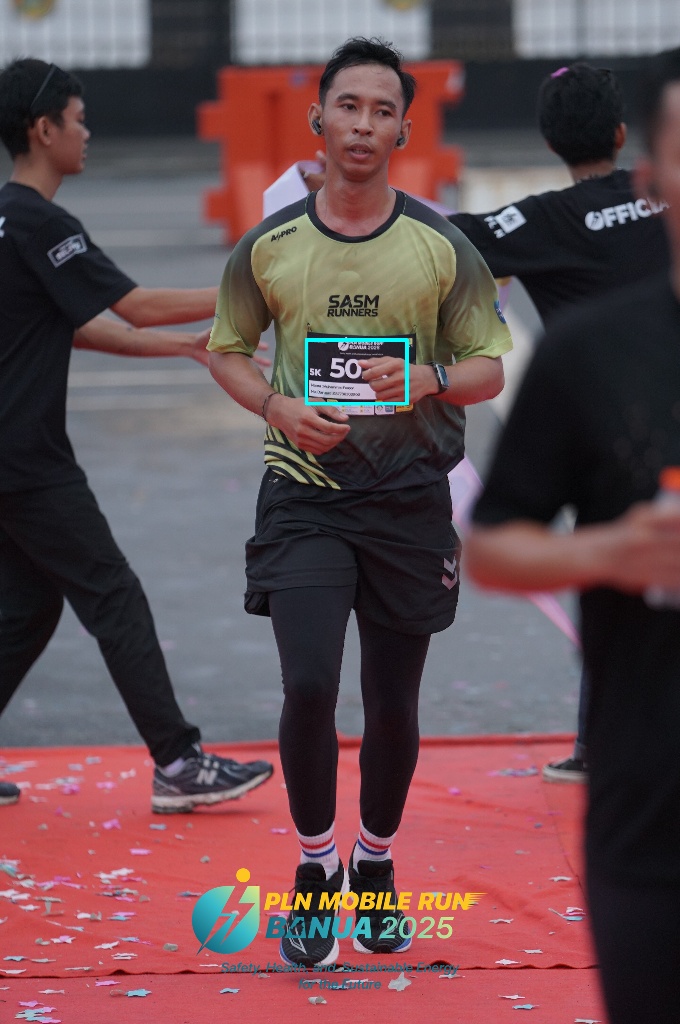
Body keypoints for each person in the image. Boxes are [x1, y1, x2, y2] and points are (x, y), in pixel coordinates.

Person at [208, 36, 512, 968]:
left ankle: (374, 863)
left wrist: (426, 376)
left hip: (410, 500)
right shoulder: (270, 245)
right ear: (319, 119)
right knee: (308, 684)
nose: (364, 125)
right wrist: (274, 406)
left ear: (403, 131)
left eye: (383, 111)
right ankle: (315, 869)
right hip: (305, 497)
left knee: (391, 701)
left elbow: (489, 367)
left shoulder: (440, 246)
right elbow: (226, 349)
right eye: (349, 106)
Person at [304, 62, 671, 783]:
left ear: (550, 140)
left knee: (617, 583)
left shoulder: (544, 221)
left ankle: (601, 744)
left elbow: (442, 236)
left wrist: (348, 192)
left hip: (613, 437)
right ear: (625, 133)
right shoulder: (663, 194)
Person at [465, 47, 680, 1024]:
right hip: (649, 801)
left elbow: (452, 241)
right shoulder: (586, 357)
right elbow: (490, 544)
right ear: (649, 168)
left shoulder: (547, 223)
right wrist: (608, 553)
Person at [0, 57, 273, 813]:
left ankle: (177, 762)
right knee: (113, 594)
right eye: (78, 120)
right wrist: (257, 289)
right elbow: (137, 306)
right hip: (27, 460)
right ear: (43, 129)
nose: (86, 133)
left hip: (9, 459)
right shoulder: (42, 222)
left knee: (29, 606)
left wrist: (187, 347)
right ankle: (179, 763)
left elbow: (75, 327)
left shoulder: (7, 219)